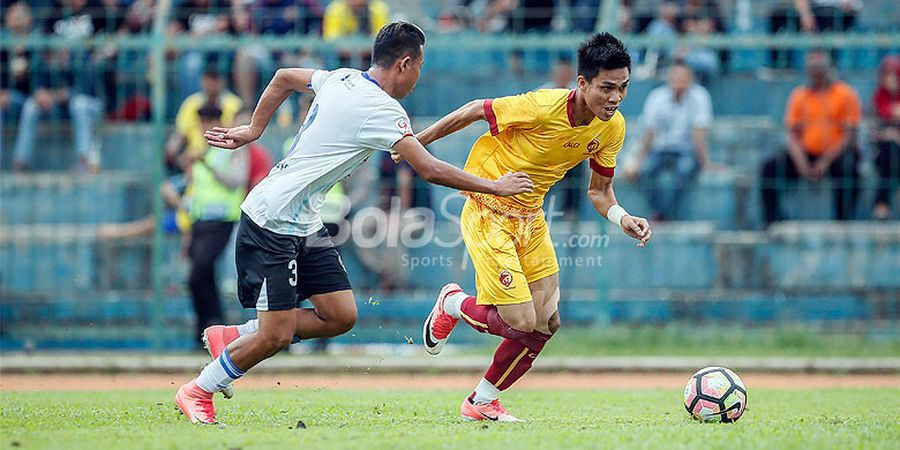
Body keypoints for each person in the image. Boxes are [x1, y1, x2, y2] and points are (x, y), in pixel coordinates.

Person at [174, 21, 534, 425]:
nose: (419, 76)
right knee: (274, 337)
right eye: (420, 66)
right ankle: (199, 389)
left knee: (340, 315)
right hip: (273, 220)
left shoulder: (342, 78)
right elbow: (429, 169)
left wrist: (256, 129)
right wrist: (496, 187)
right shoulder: (381, 108)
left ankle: (238, 336)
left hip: (303, 221)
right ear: (404, 64)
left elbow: (284, 77)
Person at [414, 32, 652, 422]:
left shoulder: (612, 127)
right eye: (607, 88)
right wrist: (416, 145)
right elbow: (476, 109)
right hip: (488, 208)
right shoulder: (543, 106)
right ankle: (453, 304)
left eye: (623, 88)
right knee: (519, 321)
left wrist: (622, 217)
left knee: (547, 322)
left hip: (531, 218)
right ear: (582, 84)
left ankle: (482, 400)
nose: (615, 98)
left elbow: (600, 191)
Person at [760, 50, 861, 225]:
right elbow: (792, 134)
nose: (817, 72)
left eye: (820, 67)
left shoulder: (845, 94)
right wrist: (801, 162)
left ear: (829, 68)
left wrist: (825, 161)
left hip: (836, 154)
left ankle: (842, 221)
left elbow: (849, 135)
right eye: (813, 67)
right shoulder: (799, 95)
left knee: (850, 169)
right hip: (806, 153)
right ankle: (773, 221)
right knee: (769, 168)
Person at [184, 103, 250, 347]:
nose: (206, 127)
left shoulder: (230, 149)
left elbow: (237, 181)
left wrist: (207, 165)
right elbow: (195, 192)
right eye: (203, 122)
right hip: (200, 222)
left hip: (221, 220)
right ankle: (208, 329)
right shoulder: (202, 151)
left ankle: (210, 323)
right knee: (203, 275)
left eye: (211, 121)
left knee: (198, 273)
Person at [625, 62, 713, 221]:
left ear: (691, 79)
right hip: (660, 149)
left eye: (683, 77)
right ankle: (659, 213)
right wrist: (637, 161)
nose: (680, 81)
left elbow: (698, 134)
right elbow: (649, 133)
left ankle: (666, 215)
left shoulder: (700, 97)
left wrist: (706, 163)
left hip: (686, 150)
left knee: (684, 171)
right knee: (646, 171)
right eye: (676, 77)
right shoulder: (657, 97)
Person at [872, 55, 900, 220]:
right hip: (884, 151)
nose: (888, 79)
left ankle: (881, 204)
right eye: (885, 74)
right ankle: (882, 204)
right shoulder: (878, 98)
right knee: (890, 153)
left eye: (892, 74)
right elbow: (873, 131)